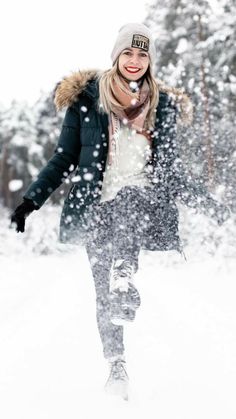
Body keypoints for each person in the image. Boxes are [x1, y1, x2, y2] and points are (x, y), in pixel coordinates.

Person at [10, 23, 230, 399]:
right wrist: (31, 201)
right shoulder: (87, 100)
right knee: (104, 295)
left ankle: (125, 271)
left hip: (140, 201)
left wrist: (211, 206)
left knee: (129, 200)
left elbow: (169, 171)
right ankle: (116, 364)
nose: (134, 61)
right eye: (128, 53)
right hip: (95, 207)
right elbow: (64, 158)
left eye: (142, 54)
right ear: (116, 56)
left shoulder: (161, 106)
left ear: (150, 60)